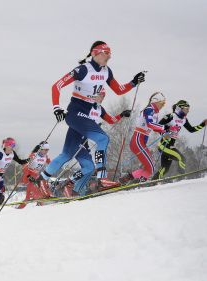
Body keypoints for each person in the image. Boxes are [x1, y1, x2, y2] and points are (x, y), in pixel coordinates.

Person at [40, 41, 145, 188]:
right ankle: (102, 179)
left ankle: (40, 180)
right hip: (76, 111)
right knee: (103, 138)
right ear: (96, 53)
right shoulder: (83, 69)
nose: (109, 56)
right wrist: (57, 108)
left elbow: (119, 90)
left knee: (67, 154)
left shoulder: (106, 71)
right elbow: (56, 86)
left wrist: (134, 82)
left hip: (87, 112)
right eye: (106, 53)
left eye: (110, 53)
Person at [55, 88, 132, 196]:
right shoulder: (85, 105)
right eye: (98, 95)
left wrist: (122, 115)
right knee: (92, 162)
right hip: (77, 138)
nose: (100, 97)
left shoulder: (100, 109)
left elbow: (110, 120)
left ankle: (72, 188)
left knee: (89, 168)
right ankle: (100, 180)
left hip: (85, 141)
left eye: (103, 95)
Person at [152, 100, 207, 179]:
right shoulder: (171, 116)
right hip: (164, 145)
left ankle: (151, 183)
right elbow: (157, 127)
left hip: (170, 146)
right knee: (182, 158)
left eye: (188, 109)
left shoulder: (184, 119)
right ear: (180, 108)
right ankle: (181, 178)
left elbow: (191, 129)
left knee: (165, 169)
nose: (188, 111)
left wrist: (202, 124)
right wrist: (166, 132)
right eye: (186, 109)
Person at [120, 92, 168, 183]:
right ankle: (140, 182)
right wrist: (165, 128)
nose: (163, 105)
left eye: (164, 104)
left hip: (141, 142)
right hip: (137, 141)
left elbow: (155, 128)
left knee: (150, 166)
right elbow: (150, 124)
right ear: (155, 101)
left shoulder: (155, 114)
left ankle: (126, 179)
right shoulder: (149, 110)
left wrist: (165, 133)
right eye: (162, 103)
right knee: (151, 167)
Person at [0, 137, 29, 213]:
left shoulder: (13, 154)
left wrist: (28, 160)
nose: (12, 148)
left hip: (0, 177)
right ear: (6, 146)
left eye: (13, 146)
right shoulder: (0, 154)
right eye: (11, 146)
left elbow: (20, 161)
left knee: (2, 197)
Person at [17, 142, 51, 209]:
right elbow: (25, 167)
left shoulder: (46, 157)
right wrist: (28, 176)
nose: (46, 151)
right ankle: (39, 202)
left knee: (28, 197)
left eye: (47, 150)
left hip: (36, 176)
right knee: (37, 195)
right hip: (29, 176)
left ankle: (20, 209)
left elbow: (52, 164)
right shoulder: (33, 156)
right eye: (45, 150)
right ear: (41, 149)